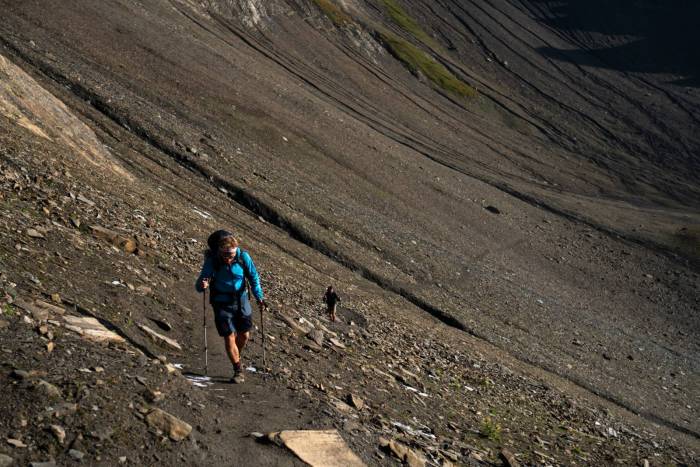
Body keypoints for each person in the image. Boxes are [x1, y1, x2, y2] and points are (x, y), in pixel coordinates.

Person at [196, 234, 265, 384]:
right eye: (225, 254)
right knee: (229, 336)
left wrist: (259, 296)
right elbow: (200, 283)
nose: (228, 257)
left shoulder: (243, 258)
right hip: (221, 302)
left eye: (231, 254)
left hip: (241, 300)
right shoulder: (213, 261)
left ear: (236, 251)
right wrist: (203, 285)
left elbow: (253, 277)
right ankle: (238, 370)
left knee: (244, 335)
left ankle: (236, 355)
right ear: (219, 250)